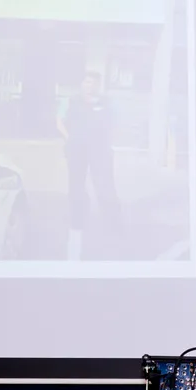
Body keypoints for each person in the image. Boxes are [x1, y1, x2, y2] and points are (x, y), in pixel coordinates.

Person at [57, 70, 121, 253]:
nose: (89, 86)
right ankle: (76, 218)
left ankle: (113, 224)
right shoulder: (70, 101)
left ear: (98, 85)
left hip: (100, 151)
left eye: (93, 83)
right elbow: (59, 121)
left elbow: (115, 123)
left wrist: (109, 142)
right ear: (81, 84)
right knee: (76, 185)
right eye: (87, 82)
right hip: (76, 150)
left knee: (105, 186)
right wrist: (69, 138)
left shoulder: (106, 103)